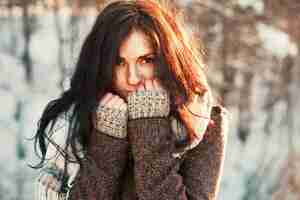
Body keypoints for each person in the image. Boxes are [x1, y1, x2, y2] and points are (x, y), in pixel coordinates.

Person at [30, 0, 229, 200]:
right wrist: (106, 143)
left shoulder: (202, 121)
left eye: (146, 60)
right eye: (119, 62)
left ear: (168, 60)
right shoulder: (75, 119)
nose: (132, 78)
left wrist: (150, 130)